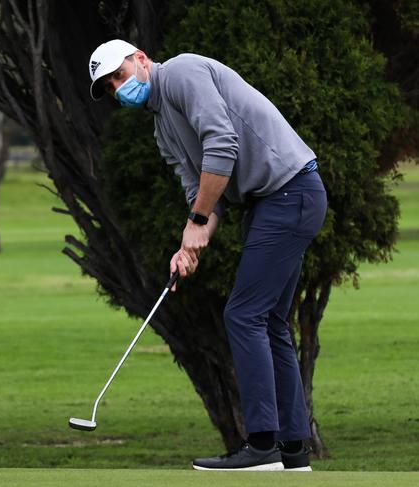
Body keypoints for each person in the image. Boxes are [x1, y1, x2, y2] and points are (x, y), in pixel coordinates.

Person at [88, 39, 327, 471]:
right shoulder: (162, 127)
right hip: (273, 201)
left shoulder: (180, 72)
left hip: (290, 192)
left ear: (141, 59)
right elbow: (202, 196)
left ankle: (262, 445)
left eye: (119, 75)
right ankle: (293, 450)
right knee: (269, 321)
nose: (117, 89)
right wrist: (189, 244)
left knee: (243, 315)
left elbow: (223, 143)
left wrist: (196, 223)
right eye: (108, 87)